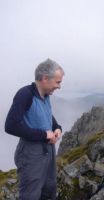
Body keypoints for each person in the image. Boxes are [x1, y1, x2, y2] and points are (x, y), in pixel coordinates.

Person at [5, 58, 64, 200]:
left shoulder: (45, 95)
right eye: (57, 82)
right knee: (31, 194)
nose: (59, 86)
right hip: (31, 153)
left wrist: (57, 128)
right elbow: (11, 125)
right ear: (45, 78)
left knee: (49, 189)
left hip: (47, 151)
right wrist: (44, 135)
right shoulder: (25, 94)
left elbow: (48, 116)